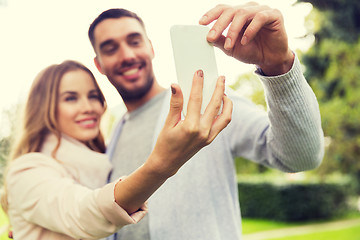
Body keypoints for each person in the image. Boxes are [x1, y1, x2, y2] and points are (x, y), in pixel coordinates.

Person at [88, 2, 324, 240]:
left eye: (134, 41)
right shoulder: (116, 127)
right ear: (99, 64)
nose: (127, 55)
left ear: (150, 48)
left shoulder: (206, 103)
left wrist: (278, 64)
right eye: (110, 48)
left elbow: (300, 156)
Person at [1, 60, 232, 240]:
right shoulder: (28, 169)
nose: (88, 107)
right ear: (43, 108)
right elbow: (83, 213)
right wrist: (161, 164)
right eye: (70, 98)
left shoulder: (102, 161)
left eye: (93, 96)